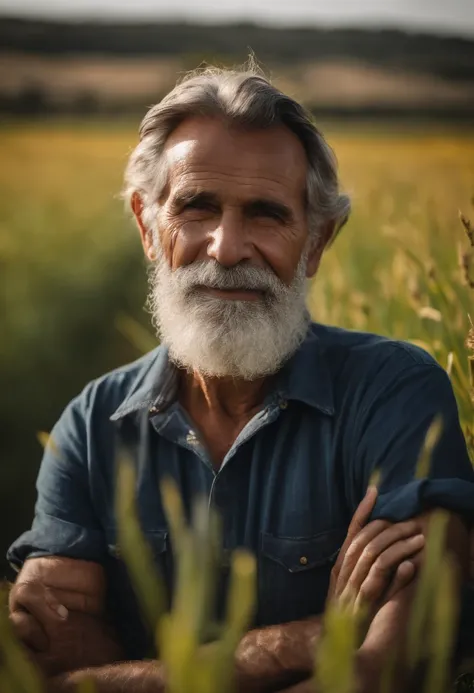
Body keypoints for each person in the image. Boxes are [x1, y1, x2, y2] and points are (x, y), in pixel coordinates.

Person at [7, 63, 474, 692]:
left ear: (316, 240)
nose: (226, 248)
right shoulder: (90, 428)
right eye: (197, 208)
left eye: (265, 214)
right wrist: (294, 645)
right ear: (148, 226)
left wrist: (121, 674)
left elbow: (388, 670)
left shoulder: (395, 395)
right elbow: (48, 674)